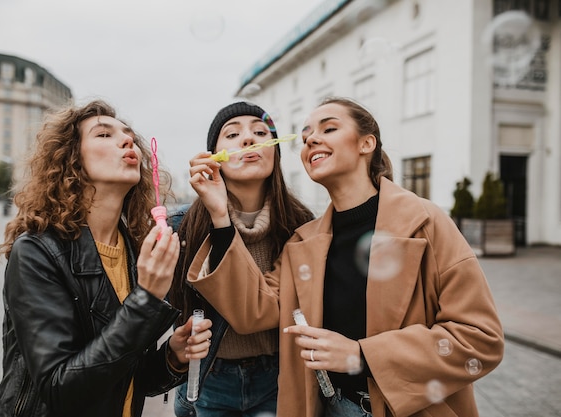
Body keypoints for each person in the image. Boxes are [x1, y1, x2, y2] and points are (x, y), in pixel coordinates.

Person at [184, 97, 504, 417]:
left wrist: (361, 354)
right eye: (306, 134)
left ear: (366, 143)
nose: (311, 139)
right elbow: (250, 310)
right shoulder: (303, 243)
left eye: (330, 128)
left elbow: (480, 339)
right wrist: (220, 216)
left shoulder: (427, 223)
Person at [0, 99, 212, 417]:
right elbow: (61, 391)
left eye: (128, 134)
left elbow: (121, 377)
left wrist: (171, 358)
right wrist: (147, 298)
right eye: (104, 134)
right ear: (72, 160)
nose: (127, 139)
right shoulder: (37, 252)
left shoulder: (132, 251)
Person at [168, 101, 314, 416]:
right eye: (232, 134)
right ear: (213, 155)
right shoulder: (181, 225)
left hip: (279, 376)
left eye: (260, 132)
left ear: (275, 151)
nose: (248, 139)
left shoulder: (300, 223)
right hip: (208, 378)